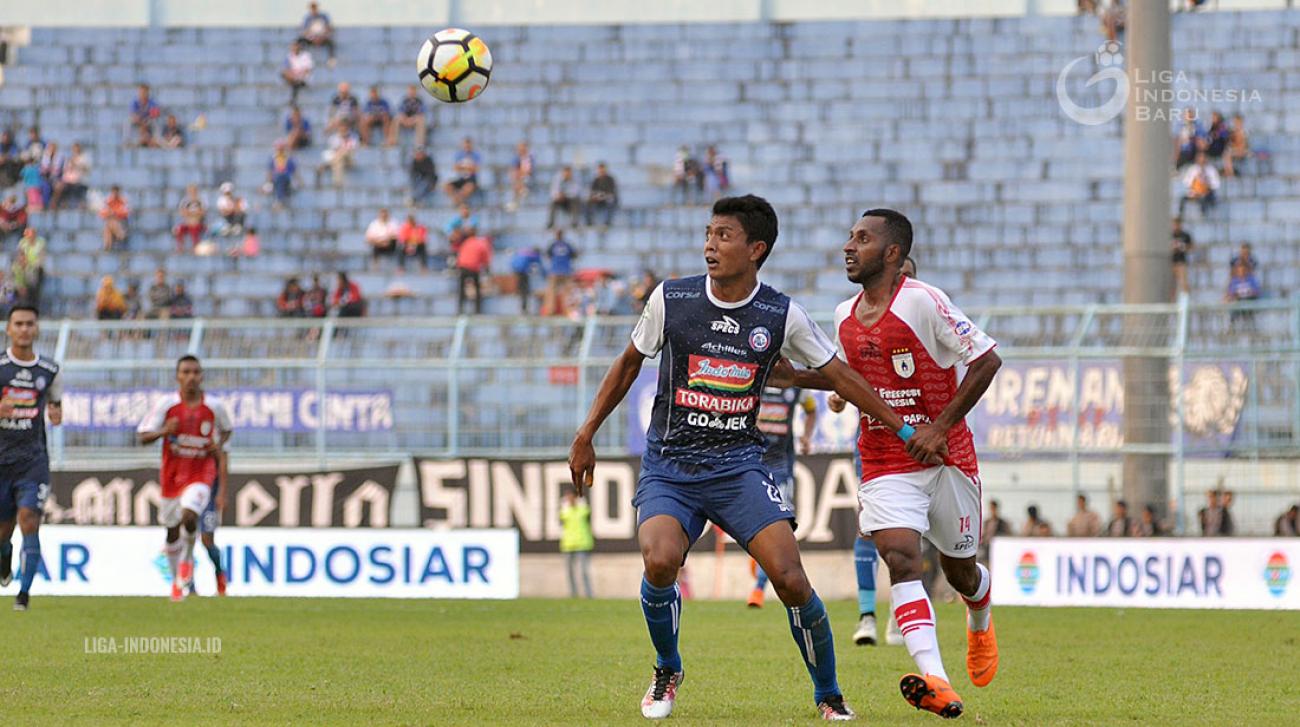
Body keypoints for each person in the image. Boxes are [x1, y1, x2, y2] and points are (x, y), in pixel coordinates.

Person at [568, 195, 929, 721]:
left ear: (756, 249)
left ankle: (828, 695)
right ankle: (668, 667)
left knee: (790, 579)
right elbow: (627, 364)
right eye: (709, 234)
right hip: (671, 466)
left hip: (738, 468)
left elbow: (838, 376)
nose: (710, 245)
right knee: (660, 559)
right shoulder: (672, 298)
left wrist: (901, 427)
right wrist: (586, 433)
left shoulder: (781, 315)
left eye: (724, 236)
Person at [780, 209, 1002, 718]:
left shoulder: (923, 301)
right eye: (849, 237)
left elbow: (987, 358)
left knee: (961, 571)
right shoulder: (843, 315)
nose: (848, 246)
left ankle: (980, 612)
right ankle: (937, 680)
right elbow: (847, 375)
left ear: (893, 254)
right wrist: (792, 376)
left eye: (862, 238)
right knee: (901, 557)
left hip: (948, 459)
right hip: (884, 459)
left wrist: (940, 425)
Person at [137, 356, 231, 602]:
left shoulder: (214, 407)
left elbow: (227, 435)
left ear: (202, 376)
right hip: (172, 477)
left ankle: (196, 566)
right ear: (178, 376)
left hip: (203, 476)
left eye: (196, 372)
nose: (191, 377)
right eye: (186, 372)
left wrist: (218, 448)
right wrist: (164, 431)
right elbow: (143, 436)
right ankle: (178, 582)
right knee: (171, 531)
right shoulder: (166, 406)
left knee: (195, 521)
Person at [0, 306, 63, 611]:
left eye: (29, 324)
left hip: (32, 461)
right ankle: (4, 558)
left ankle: (23, 595)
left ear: (36, 329)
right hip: (1, 461)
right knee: (2, 532)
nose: (24, 329)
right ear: (9, 329)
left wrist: (56, 412)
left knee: (29, 520)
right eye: (19, 324)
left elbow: (57, 403)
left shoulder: (49, 370)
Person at [746, 383, 817, 609]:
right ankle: (759, 561)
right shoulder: (756, 377)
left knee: (780, 527)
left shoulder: (795, 384)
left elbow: (812, 409)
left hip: (781, 467)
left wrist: (807, 436)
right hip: (751, 463)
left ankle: (758, 587)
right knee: (758, 528)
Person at [560, 488, 595, 598]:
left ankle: (588, 594)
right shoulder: (565, 511)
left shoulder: (582, 509)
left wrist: (581, 502)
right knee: (570, 572)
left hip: (583, 544)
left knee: (584, 571)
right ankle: (573, 594)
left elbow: (587, 513)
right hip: (568, 544)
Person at [456, 230, 492, 315]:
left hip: (463, 266)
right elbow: (485, 258)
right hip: (473, 267)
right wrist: (487, 269)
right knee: (477, 288)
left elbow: (460, 254)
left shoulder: (466, 242)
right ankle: (477, 309)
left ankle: (460, 308)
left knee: (461, 288)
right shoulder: (481, 244)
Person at [1179, 151, 1220, 218]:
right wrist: (1194, 187)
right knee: (1183, 198)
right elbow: (1186, 183)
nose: (1201, 159)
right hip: (1195, 192)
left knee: (1204, 198)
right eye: (1199, 157)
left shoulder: (1211, 170)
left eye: (1203, 157)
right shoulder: (1192, 169)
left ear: (1206, 158)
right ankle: (1181, 215)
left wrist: (1207, 185)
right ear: (1196, 159)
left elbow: (1216, 184)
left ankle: (1203, 216)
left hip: (1207, 193)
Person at [443, 137, 481, 205]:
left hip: (471, 179)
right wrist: (468, 167)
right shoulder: (459, 154)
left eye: (468, 146)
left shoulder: (476, 155)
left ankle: (459, 201)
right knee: (446, 186)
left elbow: (476, 169)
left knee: (468, 187)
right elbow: (455, 168)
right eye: (466, 146)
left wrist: (463, 167)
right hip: (461, 178)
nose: (467, 147)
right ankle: (457, 199)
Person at [298, 1, 336, 67]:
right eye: (312, 8)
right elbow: (305, 31)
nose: (314, 9)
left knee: (331, 43)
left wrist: (322, 37)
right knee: (300, 41)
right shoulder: (308, 18)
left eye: (315, 7)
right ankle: (302, 60)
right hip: (312, 38)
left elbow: (329, 28)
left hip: (322, 37)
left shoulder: (324, 16)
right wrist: (313, 38)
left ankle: (331, 59)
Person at [510, 244, 543, 313]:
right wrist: (545, 274)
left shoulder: (524, 251)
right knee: (525, 290)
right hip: (522, 271)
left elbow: (514, 261)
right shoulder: (534, 254)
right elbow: (540, 264)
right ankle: (524, 309)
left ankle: (519, 293)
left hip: (516, 269)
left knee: (522, 288)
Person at [173, 184, 207, 252]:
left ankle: (195, 247)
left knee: (195, 230)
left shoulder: (201, 200)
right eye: (190, 190)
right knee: (178, 230)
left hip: (198, 223)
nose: (192, 192)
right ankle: (180, 247)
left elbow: (203, 212)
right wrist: (194, 213)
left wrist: (191, 214)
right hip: (187, 223)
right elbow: (182, 212)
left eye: (193, 190)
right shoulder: (185, 201)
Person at [587, 162, 619, 227]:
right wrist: (596, 197)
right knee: (589, 201)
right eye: (600, 169)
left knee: (610, 200)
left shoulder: (610, 179)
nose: (601, 171)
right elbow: (592, 192)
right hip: (599, 200)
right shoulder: (596, 180)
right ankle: (589, 221)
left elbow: (611, 192)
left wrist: (601, 196)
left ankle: (608, 221)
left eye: (603, 169)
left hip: (608, 199)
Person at [100, 185, 130, 251]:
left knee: (110, 224)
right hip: (113, 223)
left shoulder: (123, 201)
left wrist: (114, 213)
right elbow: (102, 213)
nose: (115, 194)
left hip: (122, 223)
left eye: (117, 192)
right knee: (109, 224)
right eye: (114, 192)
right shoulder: (108, 201)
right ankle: (120, 235)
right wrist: (112, 213)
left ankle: (107, 245)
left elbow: (126, 213)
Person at [1171, 218, 1193, 298]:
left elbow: (1191, 247)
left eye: (1178, 224)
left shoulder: (1185, 235)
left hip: (1181, 262)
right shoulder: (1170, 235)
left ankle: (1185, 302)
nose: (1176, 226)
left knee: (1184, 284)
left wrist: (1182, 247)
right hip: (1171, 263)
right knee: (1171, 285)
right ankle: (1171, 304)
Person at [509, 141, 534, 210]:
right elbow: (513, 169)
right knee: (516, 179)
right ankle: (521, 191)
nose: (520, 150)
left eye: (522, 149)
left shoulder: (529, 158)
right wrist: (517, 173)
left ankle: (517, 199)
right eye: (519, 149)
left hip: (528, 178)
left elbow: (528, 171)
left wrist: (519, 172)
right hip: (519, 178)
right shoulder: (516, 158)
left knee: (520, 179)